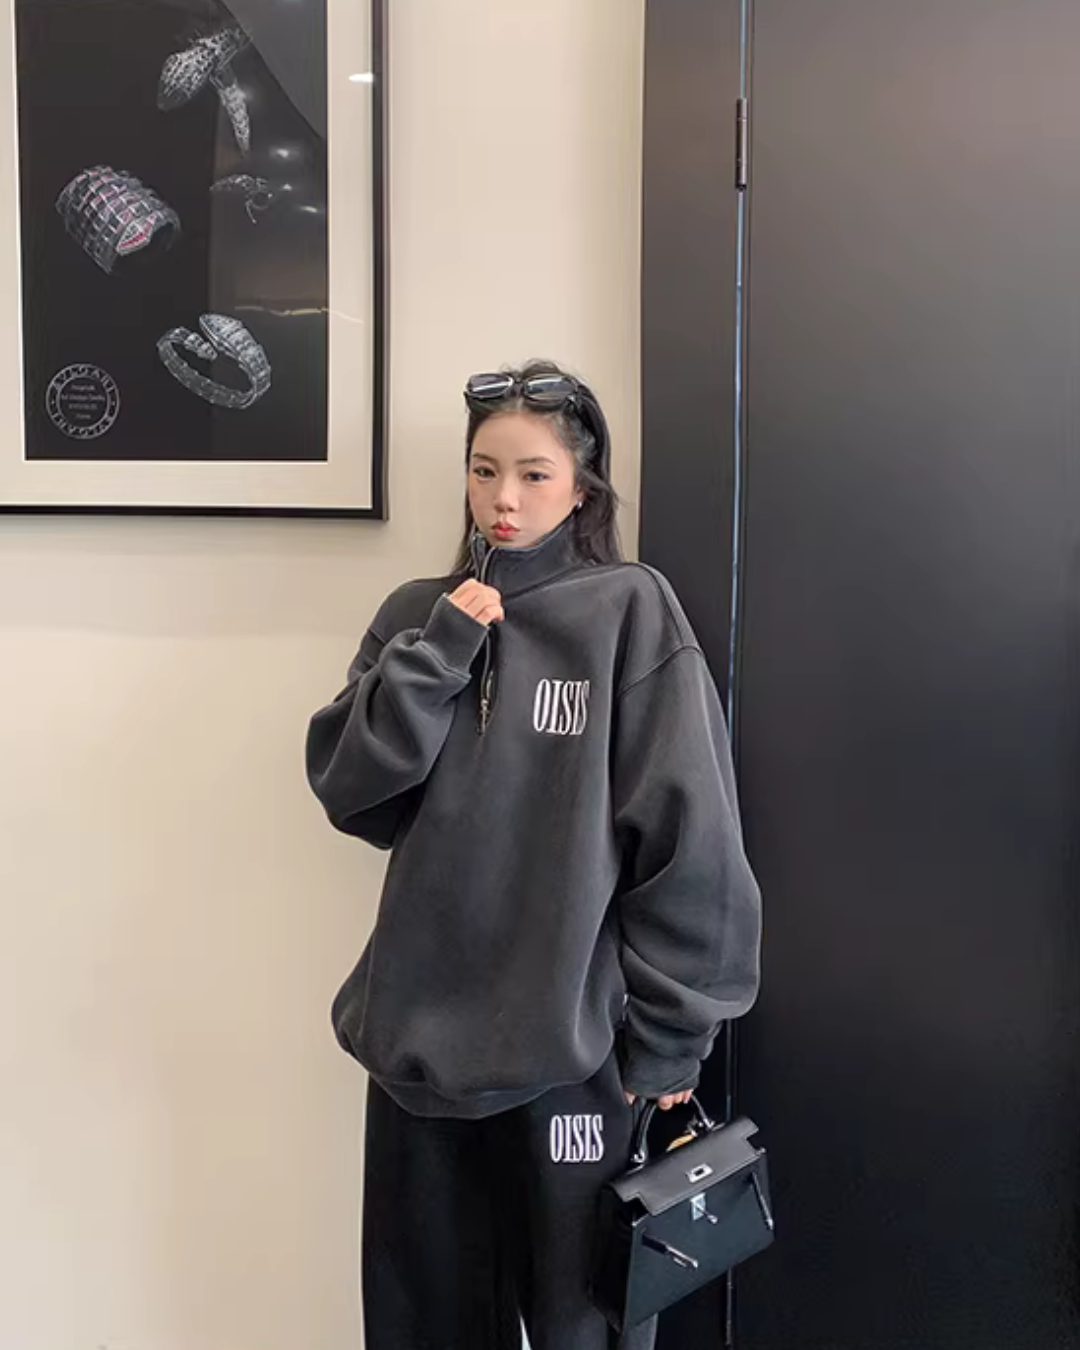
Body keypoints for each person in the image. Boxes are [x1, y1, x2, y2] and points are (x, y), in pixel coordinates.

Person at [306, 360, 762, 1350]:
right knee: (421, 1327)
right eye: (484, 471)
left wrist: (673, 1039)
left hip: (573, 1054)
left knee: (582, 1331)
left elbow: (689, 838)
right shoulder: (417, 615)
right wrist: (438, 655)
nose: (503, 499)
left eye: (533, 474)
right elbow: (353, 792)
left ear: (582, 487)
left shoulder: (629, 612)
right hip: (416, 1059)